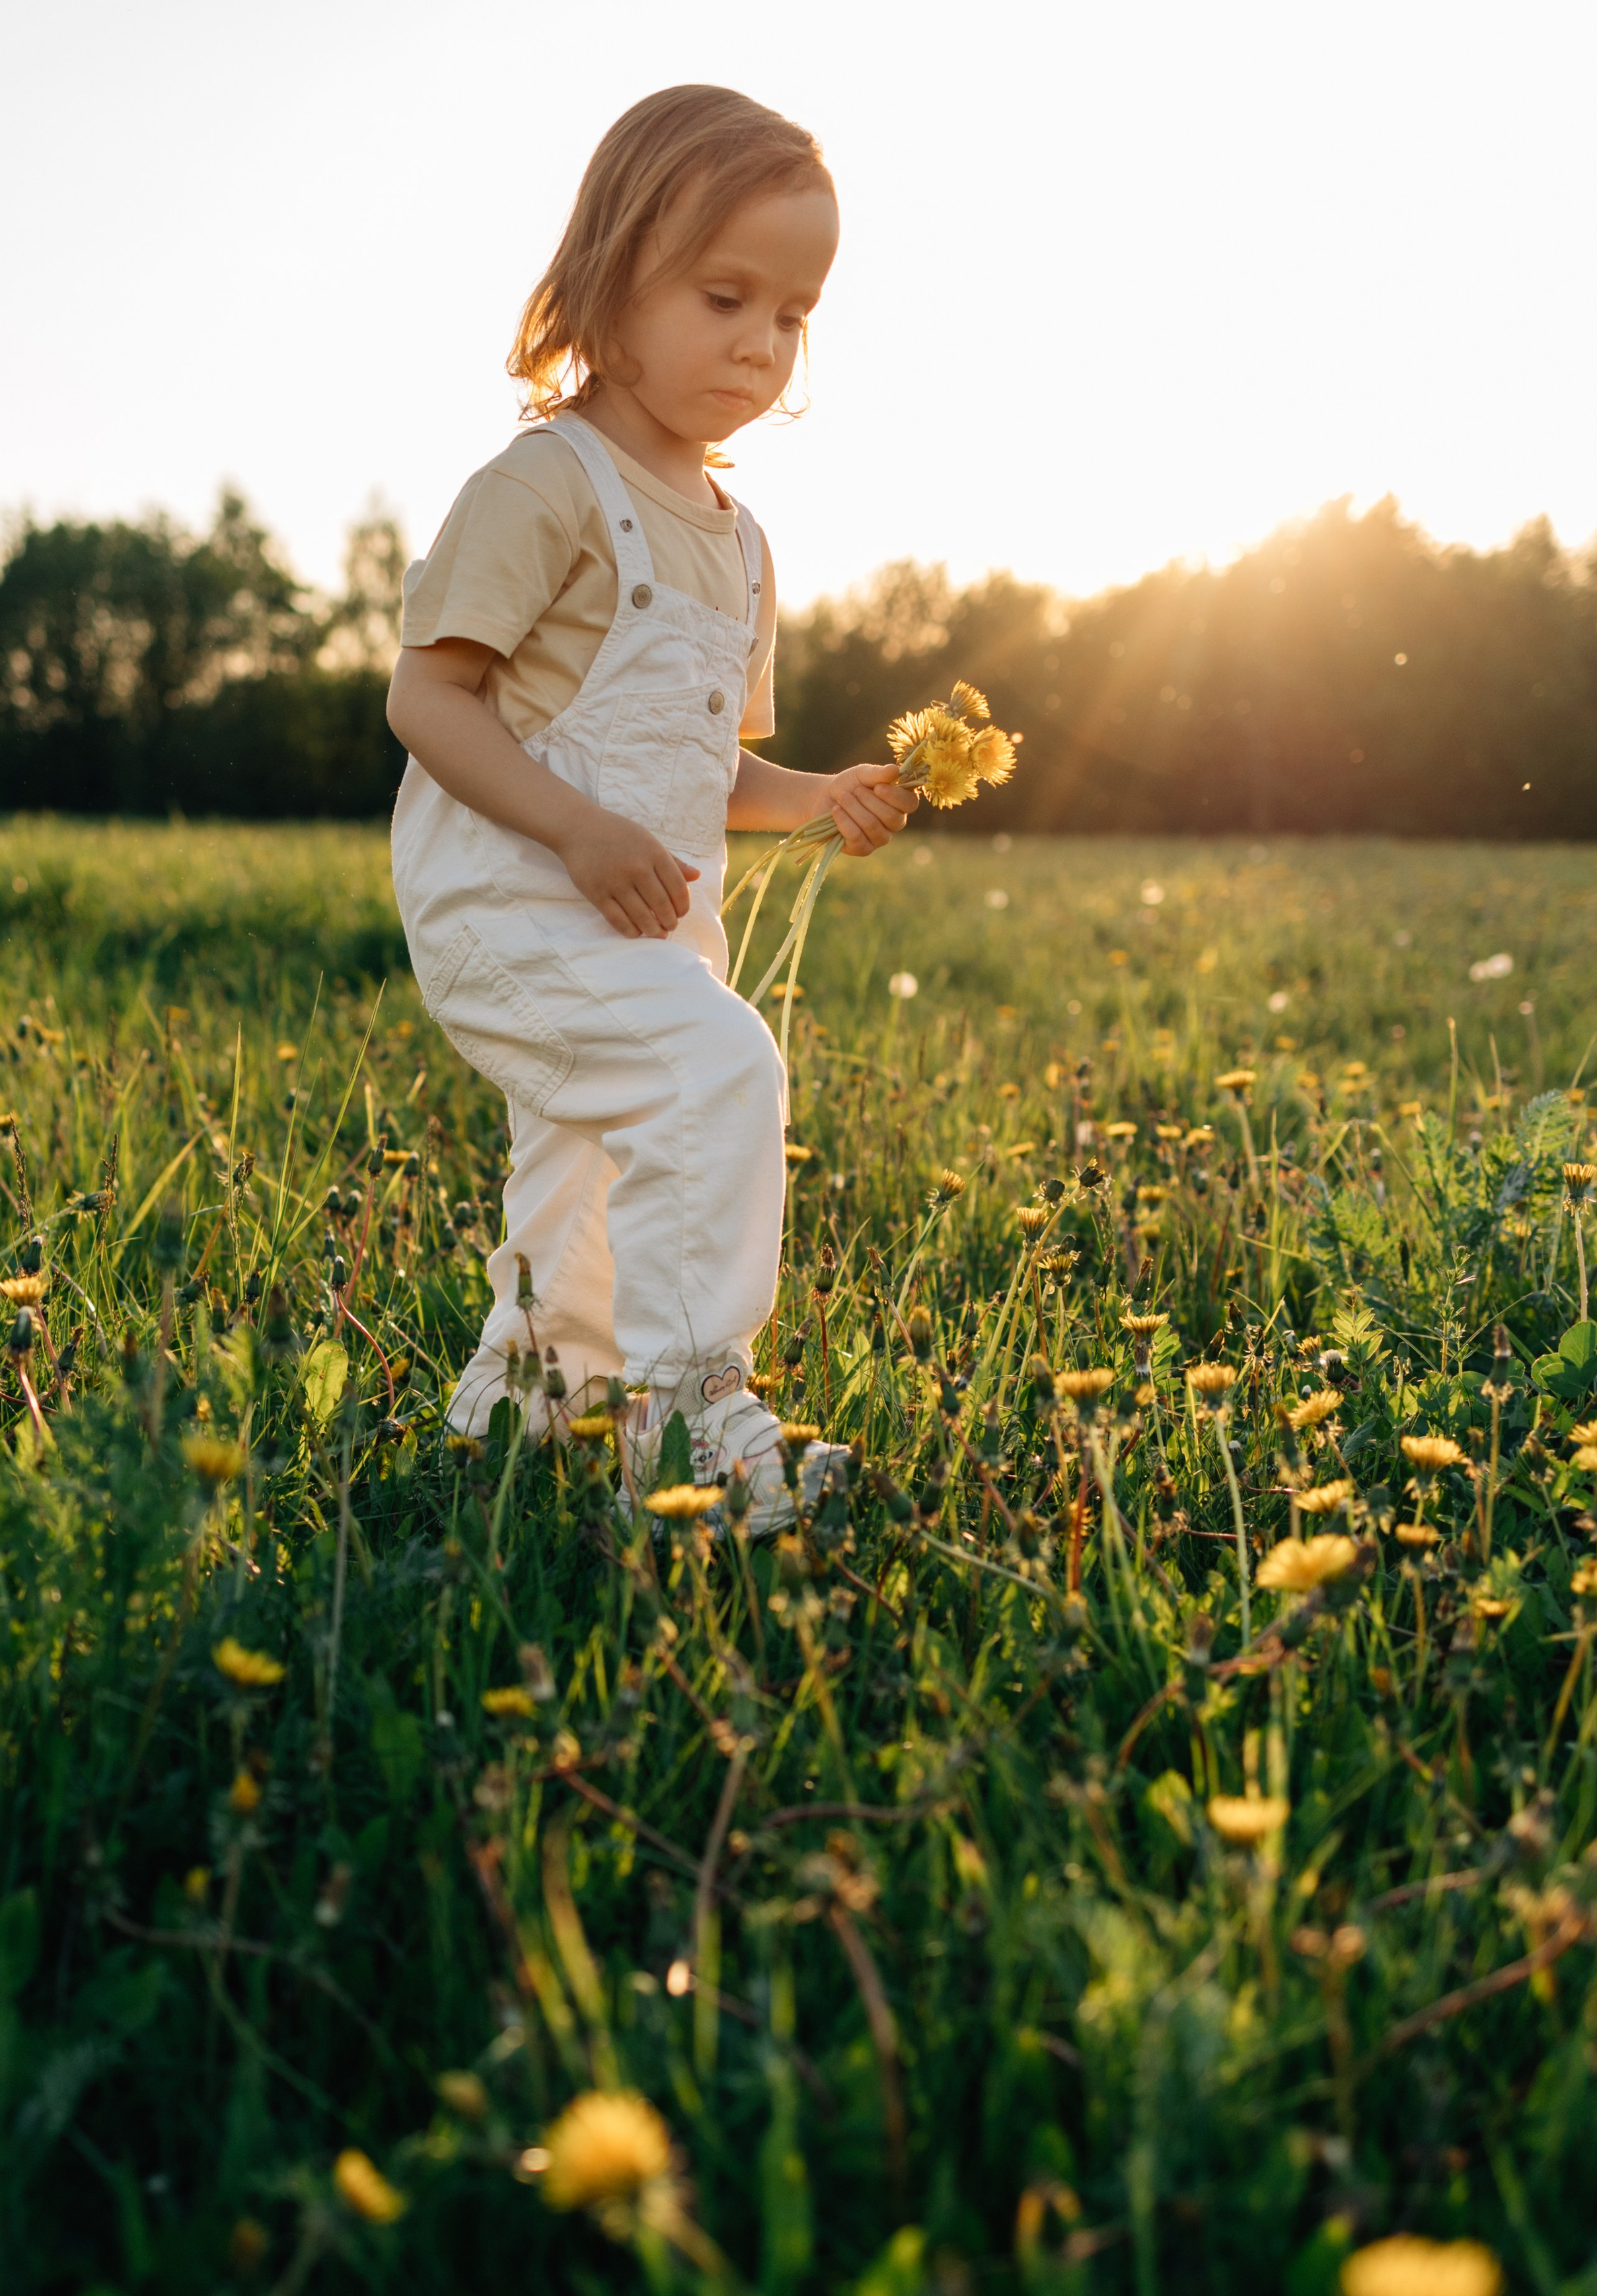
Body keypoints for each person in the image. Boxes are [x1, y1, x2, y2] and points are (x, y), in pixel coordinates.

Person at [387, 83, 914, 1530]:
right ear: (611, 281)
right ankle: (688, 1425)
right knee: (717, 1073)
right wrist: (572, 827)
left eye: (793, 315)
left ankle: (524, 1402)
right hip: (508, 910)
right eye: (723, 296)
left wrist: (817, 797)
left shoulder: (742, 546)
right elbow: (428, 699)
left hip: (642, 930)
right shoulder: (543, 485)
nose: (760, 343)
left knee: (587, 1176)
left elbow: (704, 768)